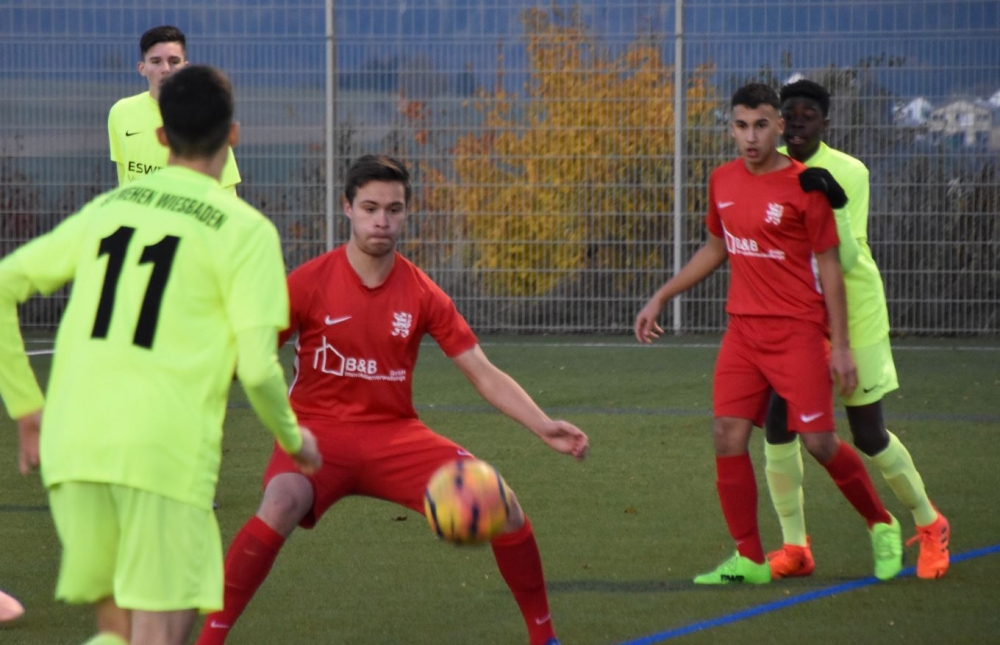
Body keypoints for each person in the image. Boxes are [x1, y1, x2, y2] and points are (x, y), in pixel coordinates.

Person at [195, 154, 589, 645]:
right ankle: (209, 640)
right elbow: (246, 357)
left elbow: (482, 372)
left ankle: (544, 636)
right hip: (316, 435)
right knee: (281, 501)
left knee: (501, 503)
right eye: (370, 208)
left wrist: (544, 425)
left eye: (393, 209)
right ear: (347, 208)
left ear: (406, 212)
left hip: (394, 436)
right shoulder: (308, 282)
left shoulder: (423, 292)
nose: (381, 220)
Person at [0, 65, 321, 645]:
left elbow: (4, 283)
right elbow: (257, 368)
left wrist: (26, 406)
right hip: (161, 453)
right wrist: (294, 439)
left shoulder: (108, 210)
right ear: (234, 136)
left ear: (160, 136)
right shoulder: (245, 231)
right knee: (159, 629)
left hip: (73, 447)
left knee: (122, 628)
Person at [634, 82, 903, 585]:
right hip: (743, 332)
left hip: (798, 332)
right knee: (726, 435)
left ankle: (881, 523)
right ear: (731, 129)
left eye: (761, 125)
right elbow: (716, 249)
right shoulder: (722, 180)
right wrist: (661, 296)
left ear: (779, 127)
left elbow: (830, 267)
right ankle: (751, 560)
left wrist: (841, 347)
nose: (751, 136)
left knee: (820, 443)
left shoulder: (807, 187)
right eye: (741, 126)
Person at [763, 79, 949, 580]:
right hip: (800, 319)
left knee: (868, 433)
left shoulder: (850, 172)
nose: (797, 122)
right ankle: (796, 547)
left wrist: (834, 202)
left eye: (808, 114)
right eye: (789, 113)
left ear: (824, 122)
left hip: (855, 315)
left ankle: (930, 524)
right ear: (778, 121)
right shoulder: (768, 170)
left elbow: (844, 258)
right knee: (778, 424)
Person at [108, 25, 241, 192]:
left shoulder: (204, 116)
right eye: (156, 61)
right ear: (142, 68)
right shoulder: (120, 112)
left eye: (174, 61)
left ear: (185, 67)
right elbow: (124, 178)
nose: (166, 69)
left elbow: (224, 192)